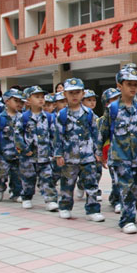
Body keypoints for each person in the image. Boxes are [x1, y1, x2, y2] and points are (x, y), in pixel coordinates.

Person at [98, 69, 137, 233]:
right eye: (129, 84)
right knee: (126, 188)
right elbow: (103, 131)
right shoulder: (113, 109)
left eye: (135, 85)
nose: (133, 88)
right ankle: (127, 220)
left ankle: (130, 210)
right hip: (119, 157)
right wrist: (99, 153)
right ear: (119, 86)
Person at [55, 78, 104, 222]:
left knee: (91, 183)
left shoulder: (89, 114)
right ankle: (64, 207)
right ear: (65, 94)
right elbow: (58, 136)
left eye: (77, 92)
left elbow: (95, 134)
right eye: (71, 93)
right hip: (70, 156)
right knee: (67, 184)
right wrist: (58, 154)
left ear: (82, 93)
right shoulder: (62, 115)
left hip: (87, 155)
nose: (74, 96)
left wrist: (97, 152)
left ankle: (93, 210)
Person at [15, 86, 58, 211]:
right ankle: (26, 197)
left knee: (47, 178)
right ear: (28, 100)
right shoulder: (23, 118)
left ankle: (50, 200)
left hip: (45, 155)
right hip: (28, 156)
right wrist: (24, 149)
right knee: (28, 178)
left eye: (42, 97)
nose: (41, 99)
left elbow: (53, 135)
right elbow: (17, 136)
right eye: (37, 97)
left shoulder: (49, 117)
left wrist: (54, 151)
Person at [0, 89, 23, 203]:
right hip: (3, 153)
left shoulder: (22, 117)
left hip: (18, 153)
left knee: (17, 175)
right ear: (7, 101)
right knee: (2, 174)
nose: (19, 103)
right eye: (15, 100)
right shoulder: (0, 117)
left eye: (20, 101)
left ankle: (16, 193)